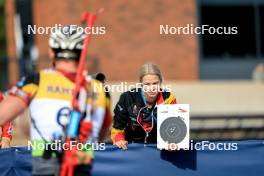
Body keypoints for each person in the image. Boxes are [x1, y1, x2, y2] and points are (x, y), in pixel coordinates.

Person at [0, 25, 107, 176]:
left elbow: (5, 116)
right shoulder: (99, 89)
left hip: (45, 163)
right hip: (82, 164)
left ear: (51, 52)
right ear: (83, 52)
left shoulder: (35, 81)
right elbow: (101, 134)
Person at [111, 63, 177, 150]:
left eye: (155, 83)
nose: (151, 88)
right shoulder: (127, 97)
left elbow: (174, 128)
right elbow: (117, 128)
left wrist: (173, 141)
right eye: (147, 84)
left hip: (158, 150)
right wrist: (119, 140)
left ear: (161, 82)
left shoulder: (169, 98)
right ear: (141, 84)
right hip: (132, 149)